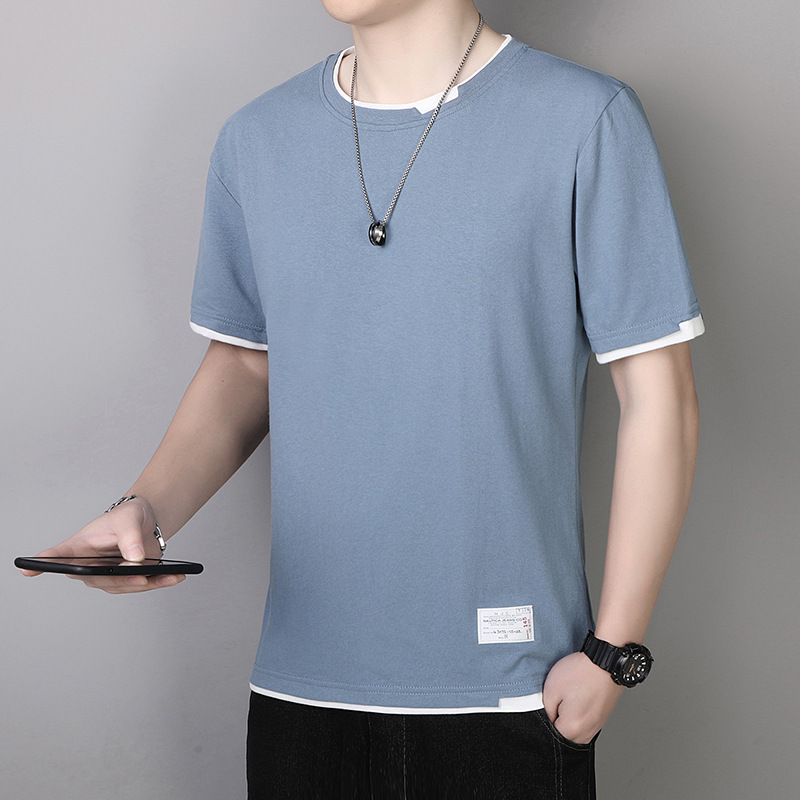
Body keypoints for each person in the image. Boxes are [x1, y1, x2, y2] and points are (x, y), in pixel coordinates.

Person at [19, 0, 704, 797]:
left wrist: (614, 653)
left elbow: (660, 397)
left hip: (513, 692)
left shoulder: (585, 119)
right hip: (301, 696)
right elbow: (246, 365)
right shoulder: (256, 140)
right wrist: (147, 509)